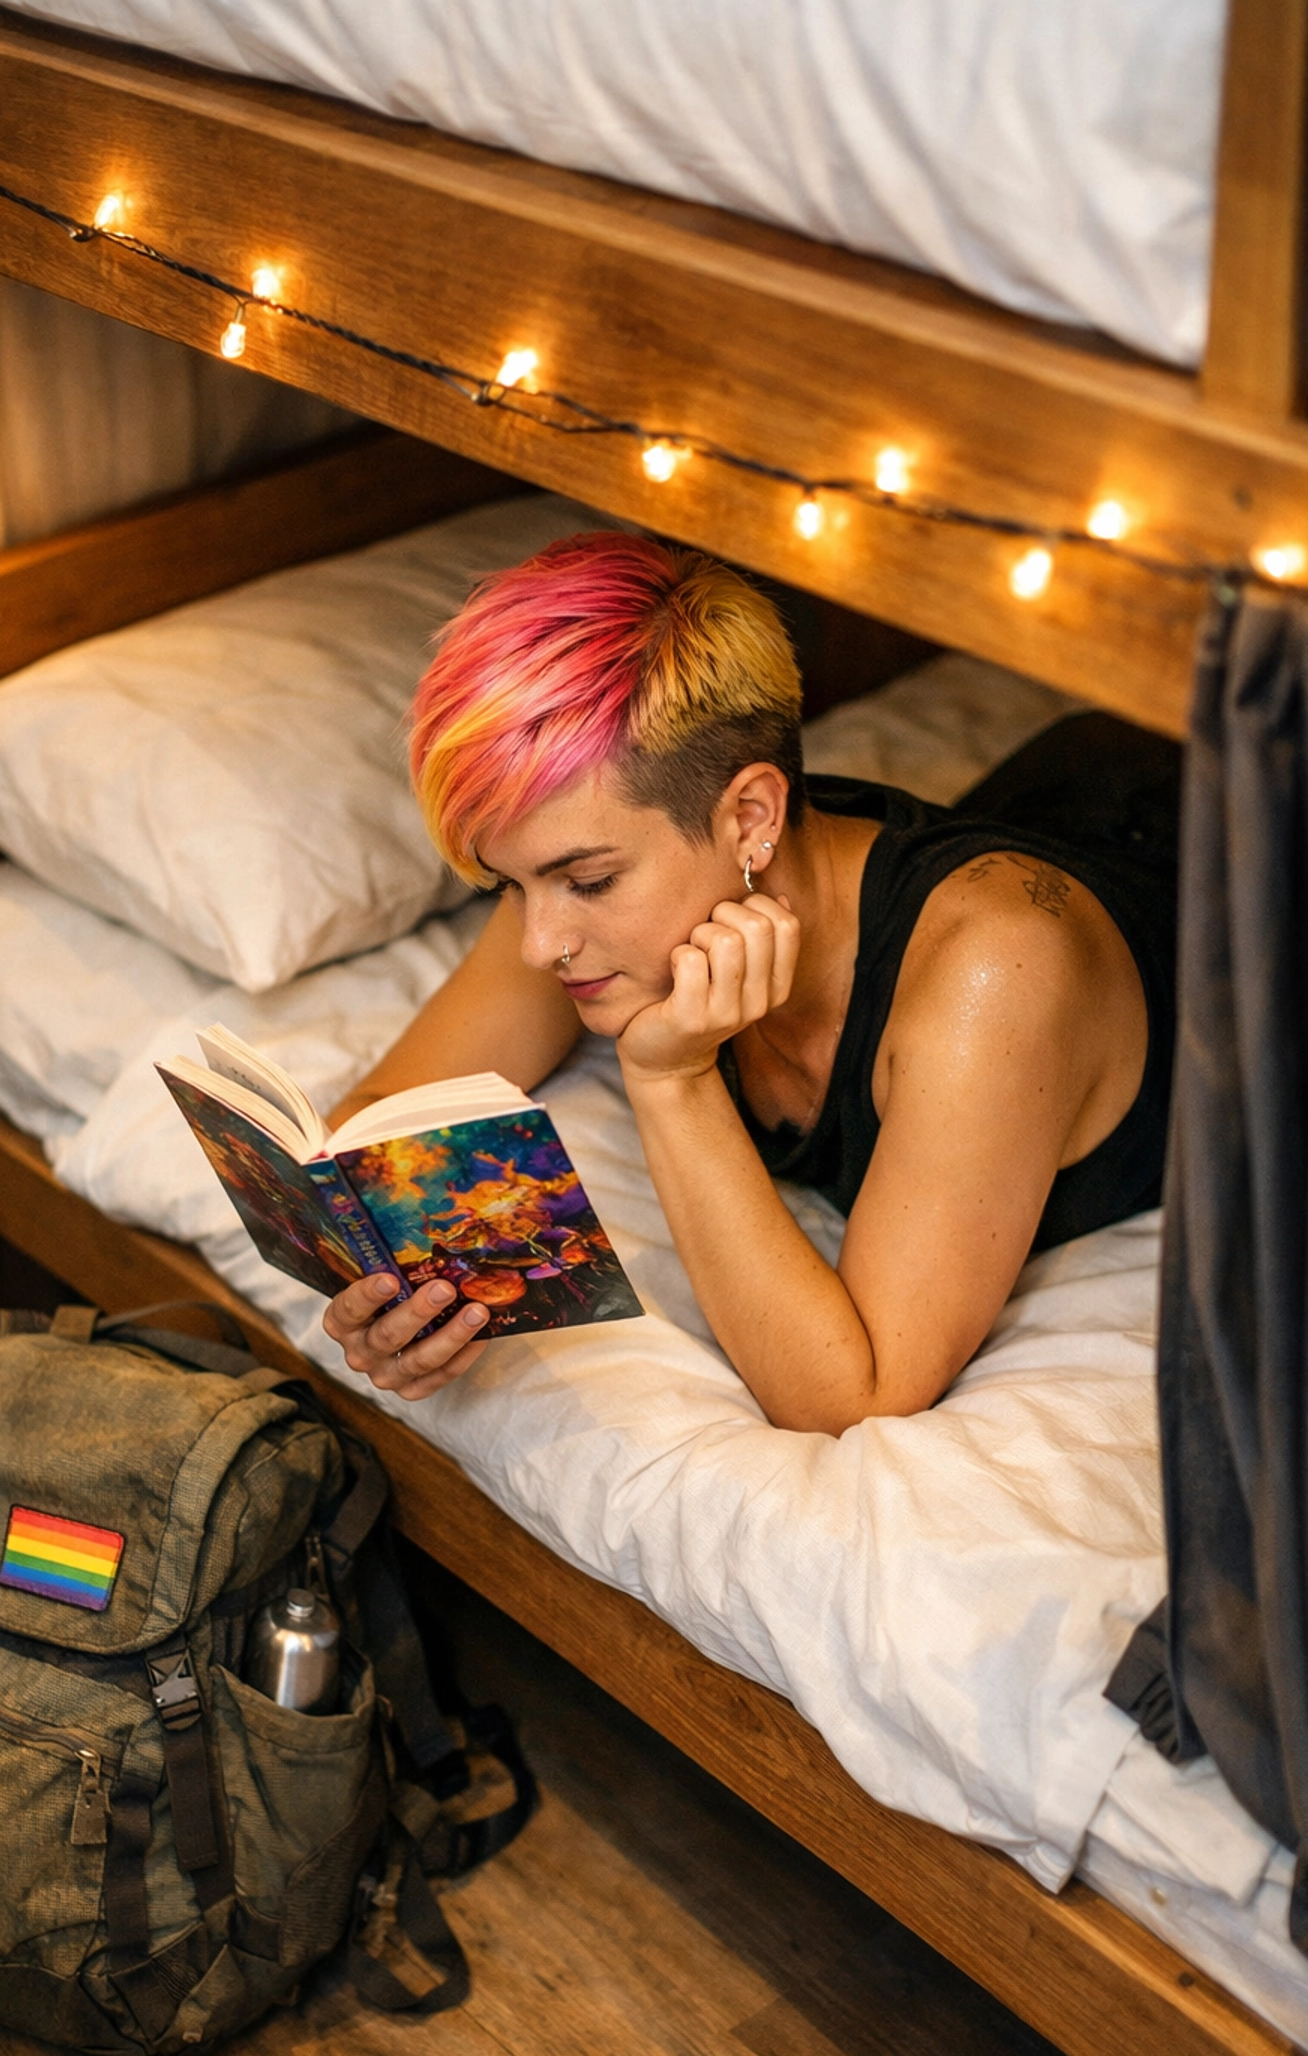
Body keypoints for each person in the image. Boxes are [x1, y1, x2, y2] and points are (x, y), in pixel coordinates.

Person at [322, 531, 1175, 1435]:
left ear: (752, 817)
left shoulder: (995, 978)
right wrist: (410, 1292)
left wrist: (670, 1078)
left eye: (590, 881)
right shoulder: (581, 880)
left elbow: (851, 1395)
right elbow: (372, 1122)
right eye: (510, 885)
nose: (538, 945)